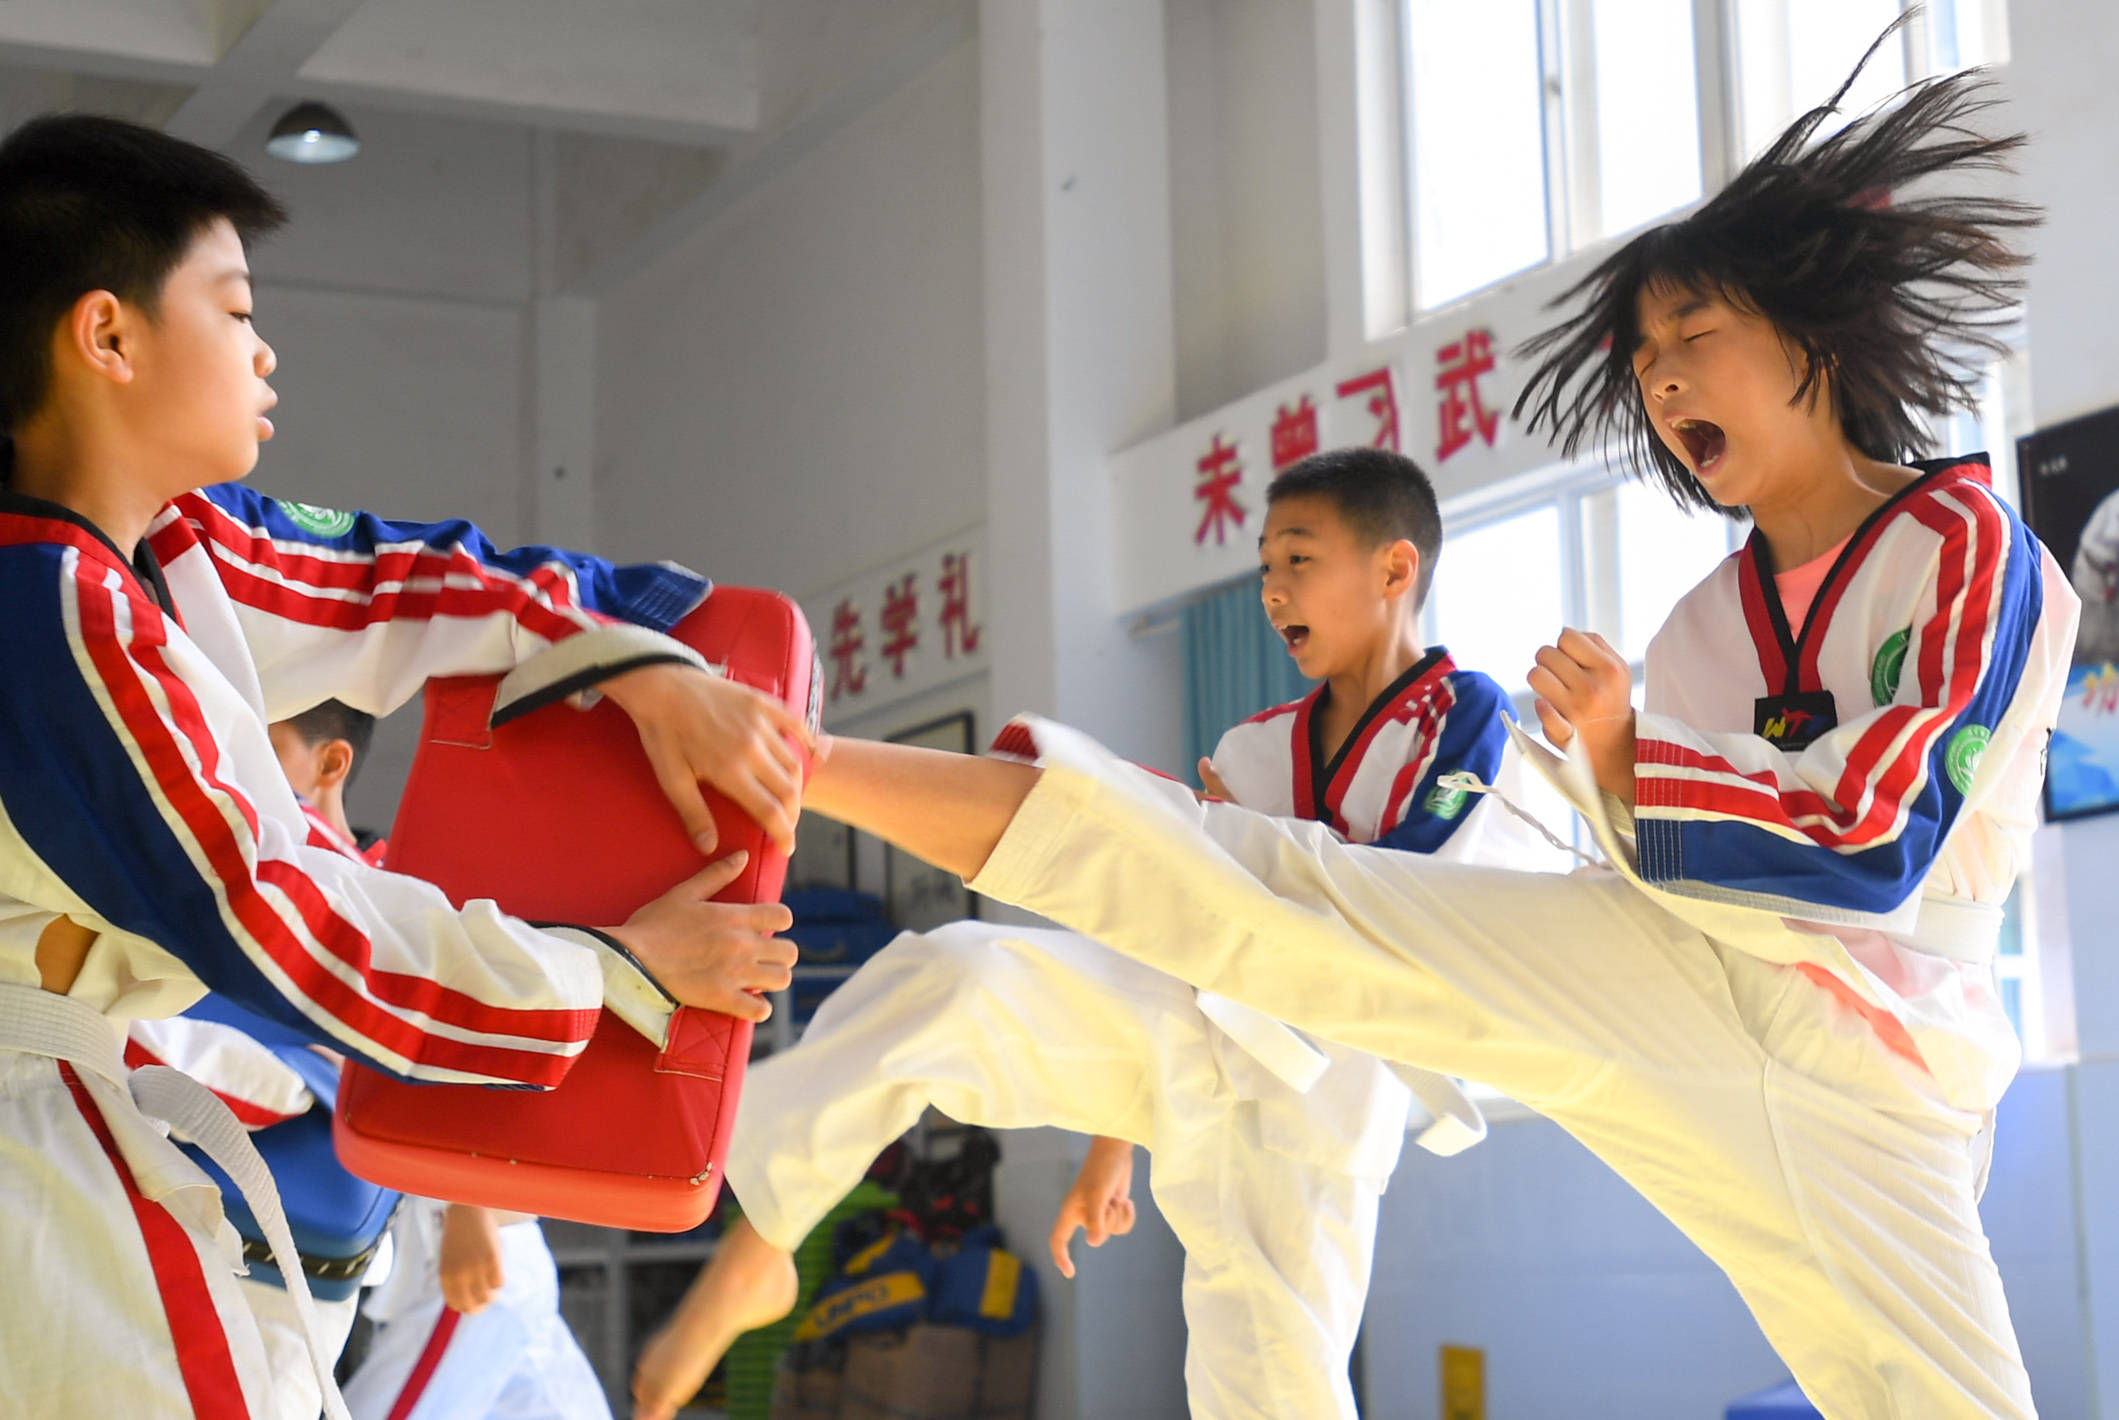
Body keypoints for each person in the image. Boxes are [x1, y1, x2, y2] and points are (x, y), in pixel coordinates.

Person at [784, 39, 2080, 1420]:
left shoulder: (1967, 546)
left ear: (1808, 341)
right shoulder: (1702, 622)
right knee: (1294, 895)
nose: (1659, 384)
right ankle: (798, 761)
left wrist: (1621, 759)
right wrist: (1607, 774)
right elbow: (1669, 868)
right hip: (1689, 986)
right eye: (1640, 364)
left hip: (1878, 1065)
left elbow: (1869, 842)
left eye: (1691, 342)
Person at [0, 113, 806, 1418]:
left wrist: (638, 657)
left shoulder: (169, 552)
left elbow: (401, 578)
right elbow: (294, 931)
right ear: (108, 337)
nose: (265, 350)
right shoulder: (52, 617)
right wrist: (613, 971)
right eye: (233, 308)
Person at [630, 448, 1556, 1420]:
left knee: (1269, 1387)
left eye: (1298, 559)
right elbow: (1178, 929)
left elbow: (1404, 901)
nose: (1272, 589)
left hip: (1321, 1097)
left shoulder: (1466, 719)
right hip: (1189, 1031)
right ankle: (762, 1244)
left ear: (1394, 570)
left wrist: (1228, 843)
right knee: (952, 976)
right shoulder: (1254, 746)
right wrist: (1111, 1150)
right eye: (1263, 566)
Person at [127, 701, 394, 1420]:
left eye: (262, 743)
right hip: (179, 1210)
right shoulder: (206, 849)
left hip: (300, 1258)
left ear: (331, 762)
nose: (234, 758)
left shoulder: (396, 901)